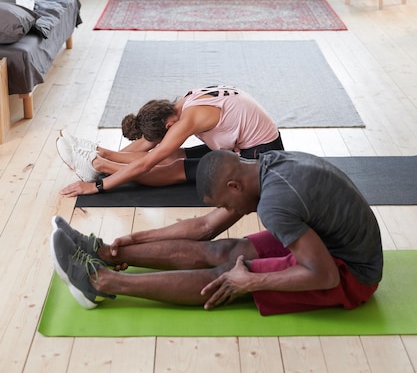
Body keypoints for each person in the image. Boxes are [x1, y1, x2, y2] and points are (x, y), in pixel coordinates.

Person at [50, 149, 383, 314]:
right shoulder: (266, 167)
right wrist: (133, 240)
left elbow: (325, 276)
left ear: (234, 184)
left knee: (229, 272)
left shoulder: (275, 205)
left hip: (350, 274)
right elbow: (204, 227)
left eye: (227, 203)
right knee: (224, 249)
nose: (230, 210)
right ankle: (104, 253)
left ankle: (101, 282)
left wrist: (251, 282)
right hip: (324, 241)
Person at [56, 85, 284, 197]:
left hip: (261, 158)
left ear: (168, 126)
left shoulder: (188, 120)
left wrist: (97, 186)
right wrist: (104, 151)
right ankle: (98, 156)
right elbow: (148, 144)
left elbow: (147, 162)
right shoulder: (183, 103)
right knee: (174, 154)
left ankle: (98, 166)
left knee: (174, 167)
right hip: (240, 145)